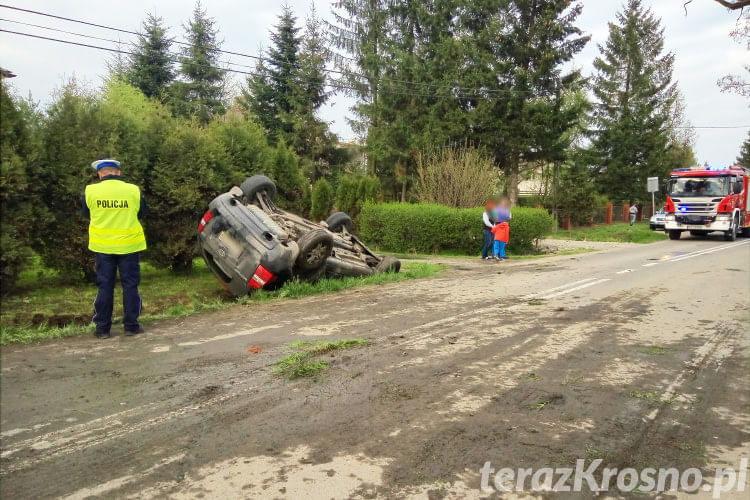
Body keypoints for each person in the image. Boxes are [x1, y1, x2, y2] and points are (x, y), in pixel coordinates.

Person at [81, 159, 147, 339]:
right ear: (118, 173)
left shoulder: (90, 191)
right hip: (129, 245)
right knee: (130, 286)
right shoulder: (133, 190)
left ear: (100, 174)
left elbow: (86, 213)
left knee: (105, 286)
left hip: (103, 247)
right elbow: (142, 213)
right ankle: (131, 326)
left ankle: (102, 329)